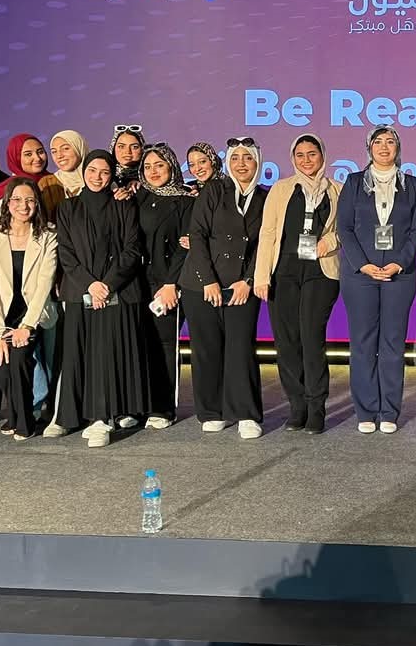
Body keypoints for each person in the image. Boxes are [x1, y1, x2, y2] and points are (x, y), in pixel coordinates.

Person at [53, 150, 149, 447]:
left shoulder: (124, 204)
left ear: (112, 175)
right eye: (92, 171)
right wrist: (90, 284)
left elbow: (132, 249)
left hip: (117, 291)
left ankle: (102, 418)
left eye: (105, 172)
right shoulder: (68, 207)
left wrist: (106, 284)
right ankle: (72, 416)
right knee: (78, 355)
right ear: (84, 172)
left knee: (107, 356)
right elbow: (66, 252)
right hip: (79, 291)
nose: (98, 177)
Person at [339, 126, 416, 434]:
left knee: (392, 344)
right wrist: (362, 265)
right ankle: (366, 411)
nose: (384, 147)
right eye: (378, 142)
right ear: (369, 148)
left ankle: (389, 410)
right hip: (360, 277)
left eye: (390, 142)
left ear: (398, 148)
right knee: (363, 344)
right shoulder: (353, 183)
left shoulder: (412, 184)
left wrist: (398, 263)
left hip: (399, 276)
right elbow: (344, 228)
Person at [255, 134, 342, 434]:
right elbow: (267, 233)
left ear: (323, 155)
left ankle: (316, 407)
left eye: (312, 154)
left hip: (321, 271)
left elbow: (347, 228)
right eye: (300, 155)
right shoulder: (281, 189)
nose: (306, 160)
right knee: (287, 342)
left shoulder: (337, 190)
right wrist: (261, 276)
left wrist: (329, 241)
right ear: (293, 158)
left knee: (311, 338)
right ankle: (297, 406)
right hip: (284, 272)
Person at [181, 137, 266, 437]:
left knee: (241, 349)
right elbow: (198, 235)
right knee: (207, 349)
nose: (241, 164)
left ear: (258, 162)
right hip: (201, 284)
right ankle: (211, 410)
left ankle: (245, 413)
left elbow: (266, 243)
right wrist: (209, 281)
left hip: (242, 286)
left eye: (248, 158)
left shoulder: (265, 197)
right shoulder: (215, 190)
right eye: (235, 158)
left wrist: (249, 280)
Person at [0, 178, 58, 441]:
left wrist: (27, 326)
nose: (24, 206)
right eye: (17, 200)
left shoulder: (48, 234)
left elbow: (45, 283)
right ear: (7, 203)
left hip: (31, 313)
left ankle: (24, 421)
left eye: (30, 200)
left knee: (20, 360)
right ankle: (14, 413)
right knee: (1, 368)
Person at [136, 143, 194, 430]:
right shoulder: (138, 197)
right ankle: (138, 406)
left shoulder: (185, 200)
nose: (153, 171)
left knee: (165, 345)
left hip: (168, 284)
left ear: (171, 166)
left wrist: (172, 283)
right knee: (139, 344)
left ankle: (163, 408)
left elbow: (185, 246)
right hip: (138, 283)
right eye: (147, 166)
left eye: (159, 165)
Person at [40, 129, 89, 223]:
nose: (59, 156)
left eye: (66, 148)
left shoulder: (98, 179)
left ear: (79, 148)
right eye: (54, 151)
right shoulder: (47, 184)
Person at [0, 133, 49, 207]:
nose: (37, 158)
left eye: (40, 152)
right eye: (28, 154)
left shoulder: (54, 179)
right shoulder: (8, 188)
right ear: (16, 158)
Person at [110, 125, 145, 199]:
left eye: (134, 147)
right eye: (121, 146)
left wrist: (142, 185)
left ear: (142, 149)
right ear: (113, 148)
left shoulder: (150, 177)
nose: (127, 152)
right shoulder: (105, 176)